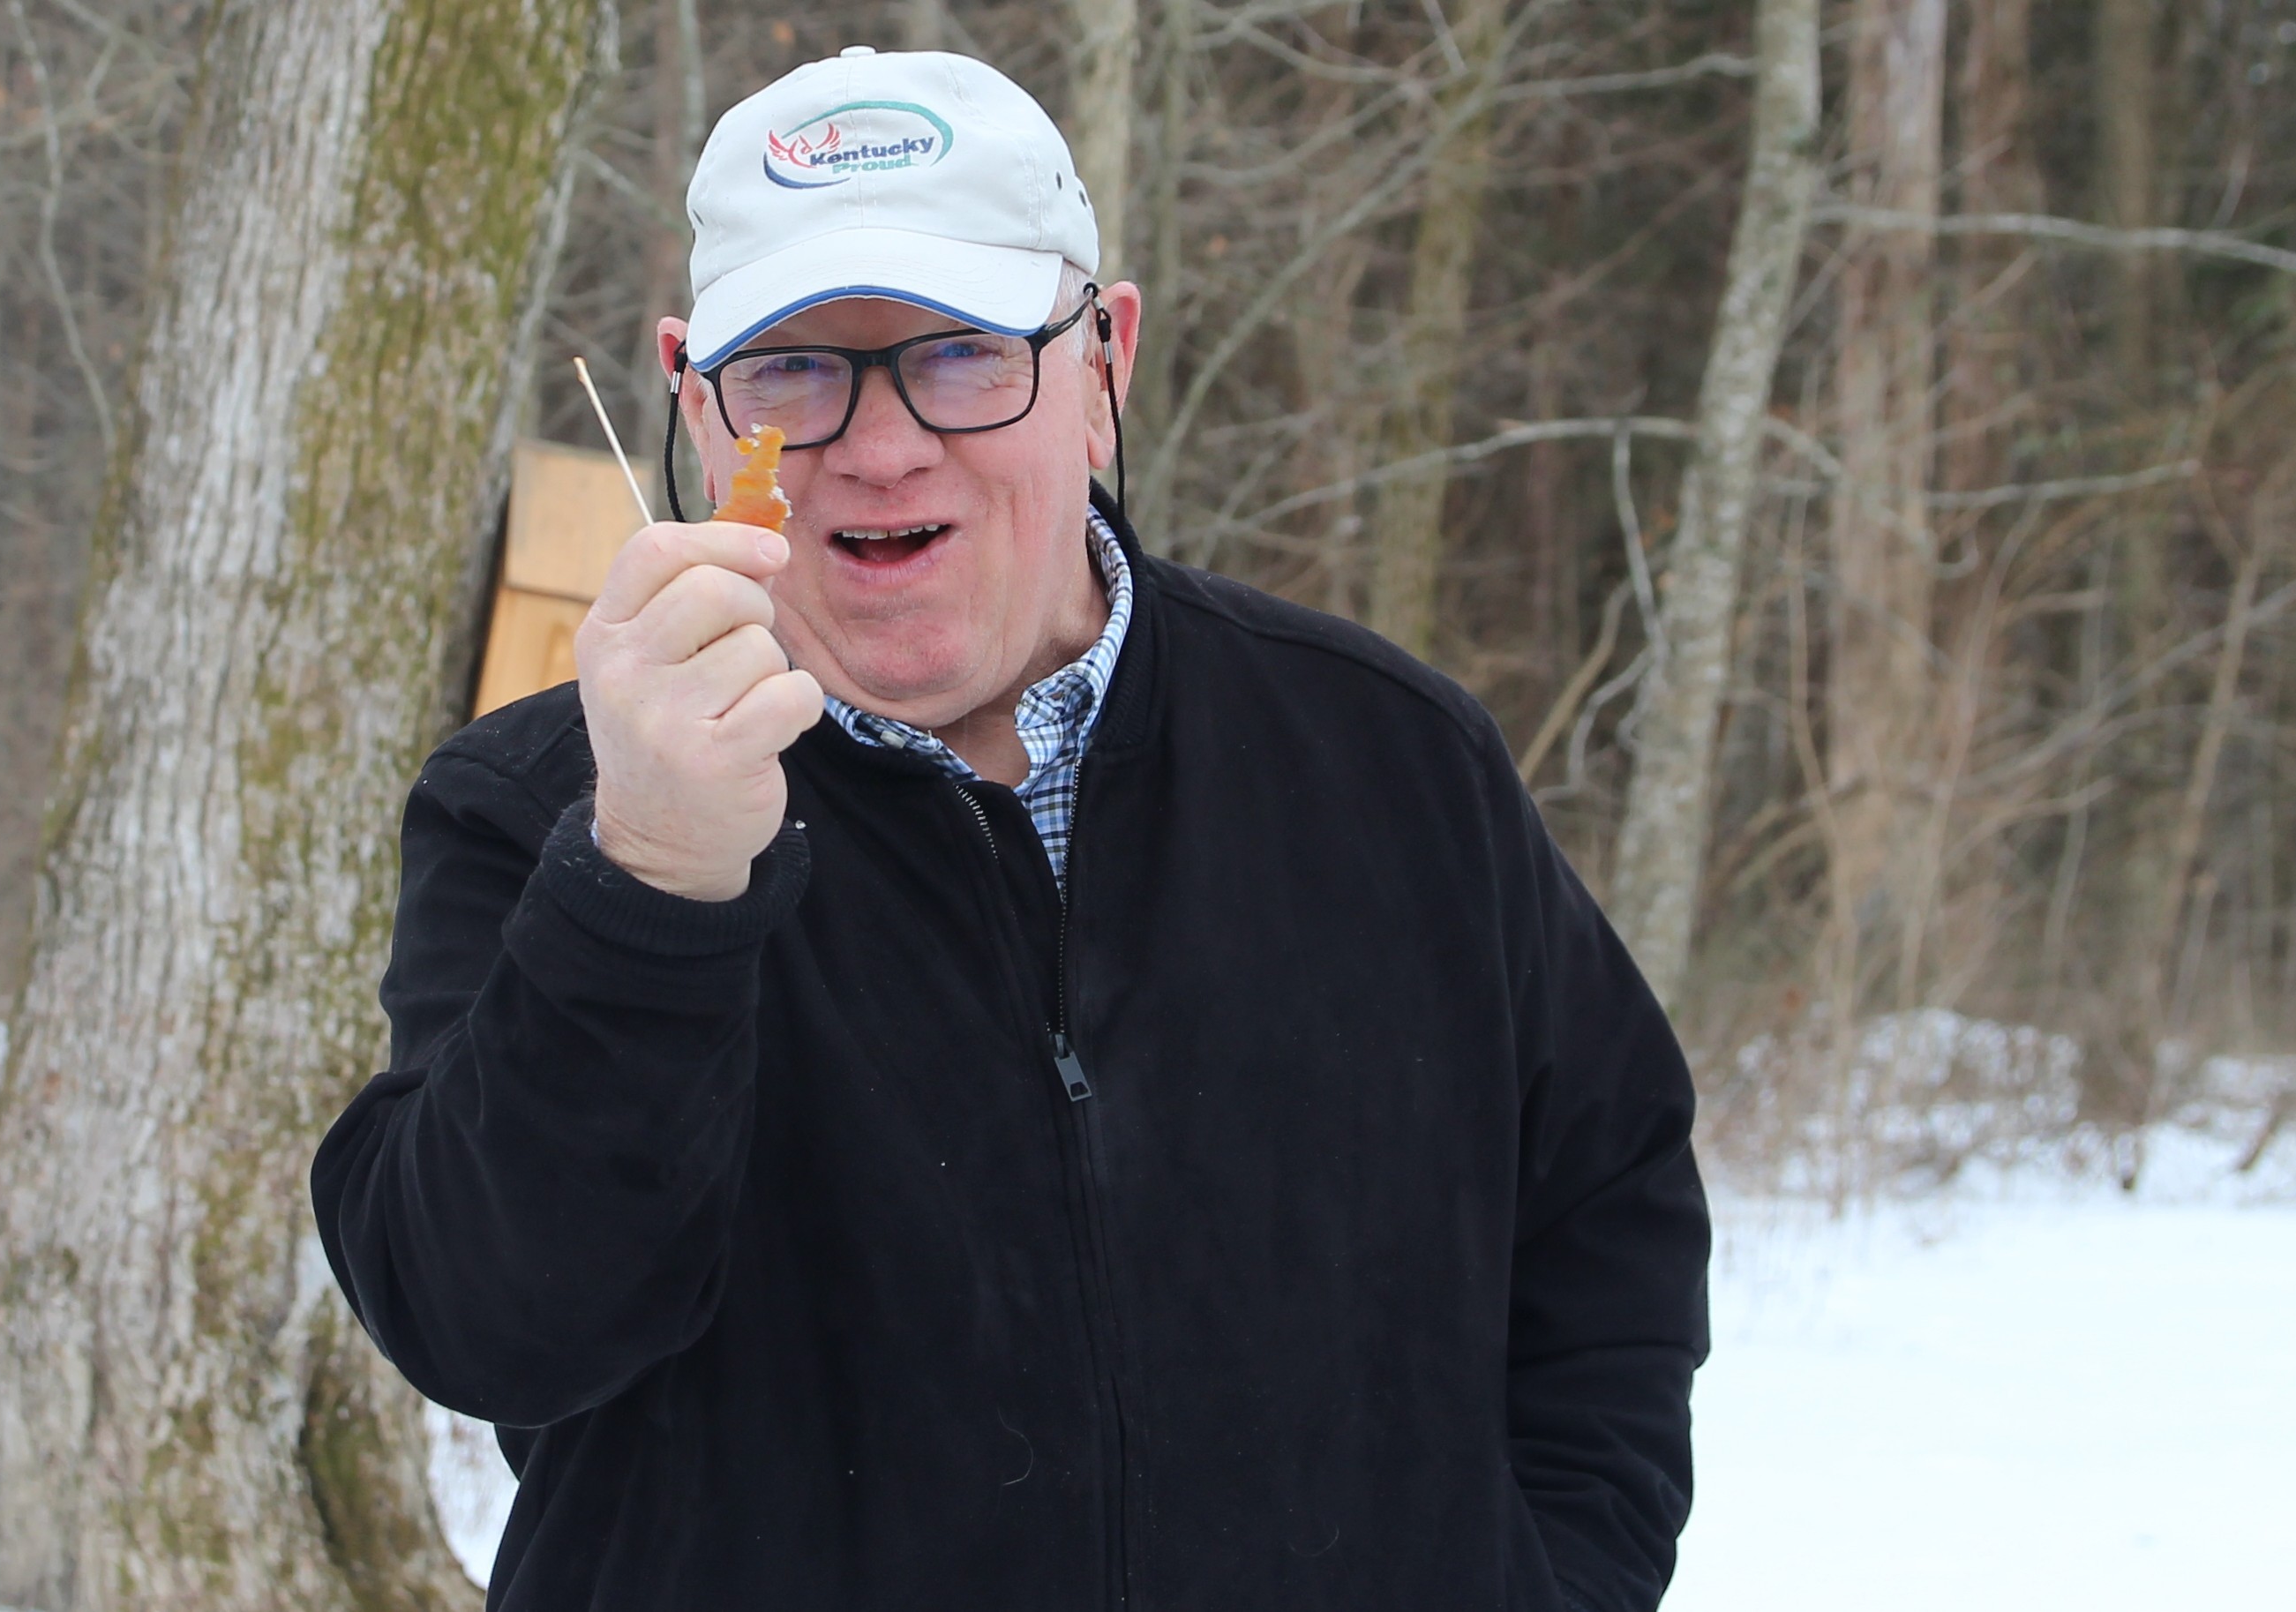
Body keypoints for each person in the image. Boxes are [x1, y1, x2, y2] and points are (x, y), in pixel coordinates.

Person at [313, 44, 1708, 1612]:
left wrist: (1549, 1578)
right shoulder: (539, 810)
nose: (880, 441)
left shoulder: (1389, 760)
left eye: (963, 353)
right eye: (791, 369)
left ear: (1101, 363)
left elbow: (1608, 1206)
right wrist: (652, 879)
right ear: (695, 402)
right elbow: (490, 1332)